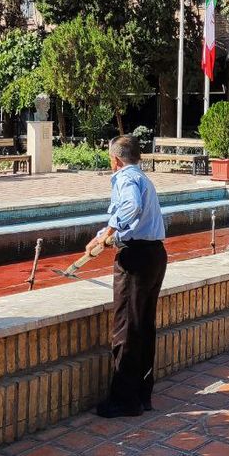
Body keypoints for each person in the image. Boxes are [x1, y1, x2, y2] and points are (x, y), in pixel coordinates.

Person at [86, 135, 167, 418]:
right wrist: (103, 236)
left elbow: (130, 208)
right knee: (143, 325)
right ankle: (142, 394)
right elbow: (131, 216)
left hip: (136, 259)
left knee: (126, 328)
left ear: (115, 159)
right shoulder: (143, 178)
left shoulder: (125, 178)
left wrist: (111, 232)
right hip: (155, 254)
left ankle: (124, 400)